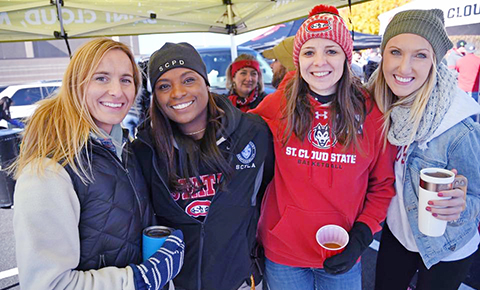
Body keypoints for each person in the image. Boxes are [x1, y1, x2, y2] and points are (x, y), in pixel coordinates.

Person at [12, 38, 184, 290]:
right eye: (101, 78)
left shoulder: (125, 150)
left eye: (126, 80)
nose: (117, 91)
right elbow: (48, 285)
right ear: (76, 85)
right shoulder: (47, 171)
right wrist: (138, 279)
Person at [249, 5, 396, 290]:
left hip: (343, 250)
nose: (320, 62)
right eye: (309, 52)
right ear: (298, 59)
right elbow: (233, 135)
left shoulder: (371, 112)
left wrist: (362, 236)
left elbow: (383, 186)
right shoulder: (277, 105)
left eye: (331, 51)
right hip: (284, 252)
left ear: (345, 57)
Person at [132, 42, 274, 290]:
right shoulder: (145, 151)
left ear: (205, 83)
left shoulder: (253, 133)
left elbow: (270, 194)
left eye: (188, 80)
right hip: (176, 284)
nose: (177, 93)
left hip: (241, 281)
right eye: (164, 86)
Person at [367, 9, 480, 290]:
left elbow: (476, 192)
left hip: (446, 247)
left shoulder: (456, 124)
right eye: (395, 52)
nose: (404, 68)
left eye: (420, 55)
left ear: (434, 62)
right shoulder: (377, 107)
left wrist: (463, 204)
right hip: (398, 235)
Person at [455, 43, 480, 120]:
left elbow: (457, 70)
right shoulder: (478, 60)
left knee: (462, 109)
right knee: (472, 109)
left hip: (462, 88)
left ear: (466, 50)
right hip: (474, 89)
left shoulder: (460, 60)